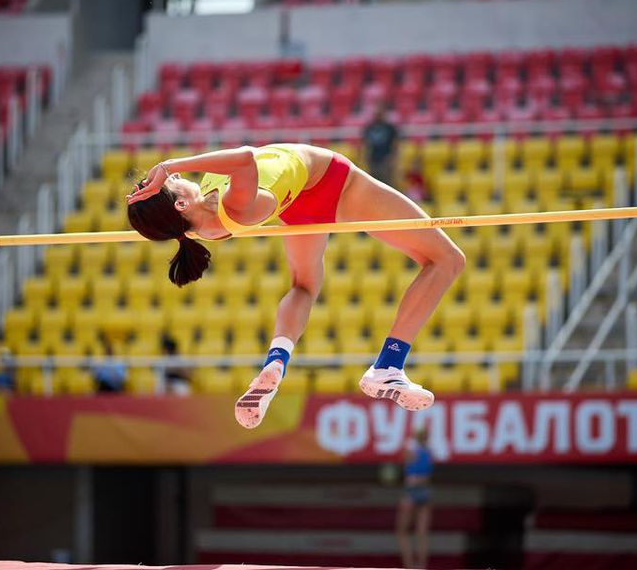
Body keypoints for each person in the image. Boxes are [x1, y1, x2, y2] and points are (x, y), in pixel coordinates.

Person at [126, 143, 465, 429]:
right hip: (334, 184)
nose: (175, 176)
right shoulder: (233, 205)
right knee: (448, 260)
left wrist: (152, 195)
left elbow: (183, 209)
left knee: (303, 286)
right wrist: (169, 164)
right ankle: (388, 366)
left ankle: (277, 359)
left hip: (297, 203)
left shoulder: (200, 223)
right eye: (172, 183)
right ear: (181, 205)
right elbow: (245, 157)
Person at [397, 427, 433, 569]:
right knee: (421, 533)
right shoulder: (429, 452)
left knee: (402, 531)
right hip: (425, 492)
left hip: (412, 492)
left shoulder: (412, 451)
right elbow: (426, 476)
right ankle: (422, 566)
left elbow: (409, 469)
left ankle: (410, 565)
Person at [362, 104, 400, 186]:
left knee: (387, 184)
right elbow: (366, 144)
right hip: (373, 160)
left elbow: (395, 144)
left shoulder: (389, 128)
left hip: (386, 160)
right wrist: (366, 158)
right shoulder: (369, 128)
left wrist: (393, 158)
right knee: (373, 183)